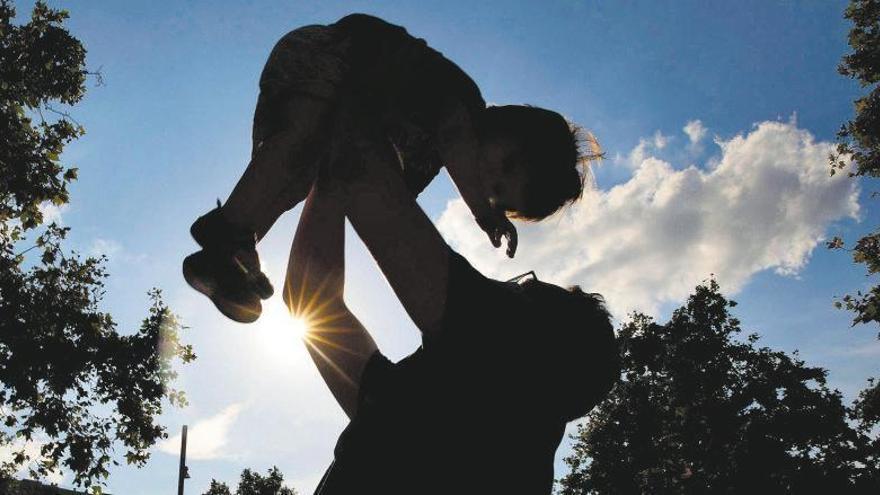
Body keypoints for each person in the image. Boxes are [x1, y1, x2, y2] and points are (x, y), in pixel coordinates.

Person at [182, 13, 602, 323]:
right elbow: (455, 140)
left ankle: (232, 251)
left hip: (339, 113)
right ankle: (230, 228)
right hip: (334, 58)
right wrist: (484, 211)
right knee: (300, 139)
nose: (486, 178)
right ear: (505, 123)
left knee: (295, 178)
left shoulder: (425, 161)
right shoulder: (462, 106)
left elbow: (380, 198)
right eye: (505, 164)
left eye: (497, 191)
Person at [285, 133, 619, 494]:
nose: (509, 284)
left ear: (535, 337)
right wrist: (332, 177)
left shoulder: (496, 332)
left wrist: (441, 130)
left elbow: (360, 166)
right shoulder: (419, 405)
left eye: (526, 286)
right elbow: (308, 299)